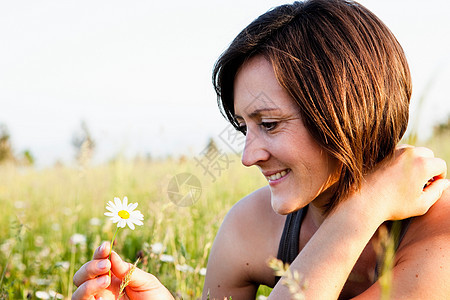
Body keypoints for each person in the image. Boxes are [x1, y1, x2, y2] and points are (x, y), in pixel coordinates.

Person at [72, 0, 450, 299]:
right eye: (243, 128)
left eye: (269, 124)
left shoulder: (440, 234)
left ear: (346, 113)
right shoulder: (248, 227)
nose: (248, 156)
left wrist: (361, 210)